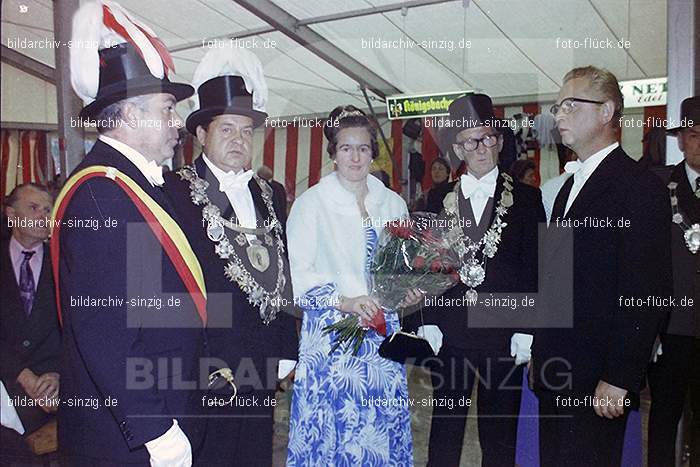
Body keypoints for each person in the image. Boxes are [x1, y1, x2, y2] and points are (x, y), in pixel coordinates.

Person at [52, 2, 207, 465]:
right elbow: (105, 333)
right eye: (167, 109)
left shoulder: (133, 183)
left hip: (159, 402)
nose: (179, 122)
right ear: (128, 116)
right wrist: (156, 432)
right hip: (130, 434)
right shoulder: (102, 193)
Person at [163, 44, 298, 467]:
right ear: (201, 135)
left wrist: (286, 346)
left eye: (246, 131)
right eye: (227, 130)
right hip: (208, 367)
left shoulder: (269, 192)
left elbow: (281, 270)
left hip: (262, 362)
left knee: (256, 454)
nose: (239, 140)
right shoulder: (174, 193)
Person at [531, 66, 672, 467]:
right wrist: (542, 356)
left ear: (607, 111)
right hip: (557, 374)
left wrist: (620, 377)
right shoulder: (565, 191)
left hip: (598, 381)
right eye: (558, 107)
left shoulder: (640, 188)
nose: (559, 115)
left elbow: (648, 293)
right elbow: (553, 285)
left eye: (570, 106)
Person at [410, 93, 545, 467]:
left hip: (504, 333)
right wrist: (427, 321)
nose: (481, 147)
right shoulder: (435, 199)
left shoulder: (530, 198)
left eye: (488, 138)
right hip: (450, 334)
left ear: (499, 142)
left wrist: (529, 328)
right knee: (445, 433)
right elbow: (423, 268)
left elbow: (541, 267)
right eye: (471, 140)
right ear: (458, 147)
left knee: (500, 438)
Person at [286, 105, 420, 466]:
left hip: (381, 340)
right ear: (333, 154)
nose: (355, 156)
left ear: (373, 153)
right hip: (332, 337)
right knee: (333, 433)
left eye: (363, 148)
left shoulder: (392, 203)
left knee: (376, 433)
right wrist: (345, 301)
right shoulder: (310, 204)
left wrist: (409, 291)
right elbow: (298, 275)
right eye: (346, 148)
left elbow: (402, 267)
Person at [647, 95, 700, 467]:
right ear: (681, 139)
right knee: (664, 417)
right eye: (695, 134)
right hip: (671, 328)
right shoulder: (658, 183)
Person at [1, 184, 60, 463]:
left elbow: (78, 329)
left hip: (54, 399)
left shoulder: (65, 264)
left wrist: (58, 374)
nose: (43, 216)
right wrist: (24, 376)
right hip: (6, 396)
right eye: (33, 208)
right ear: (11, 215)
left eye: (47, 210)